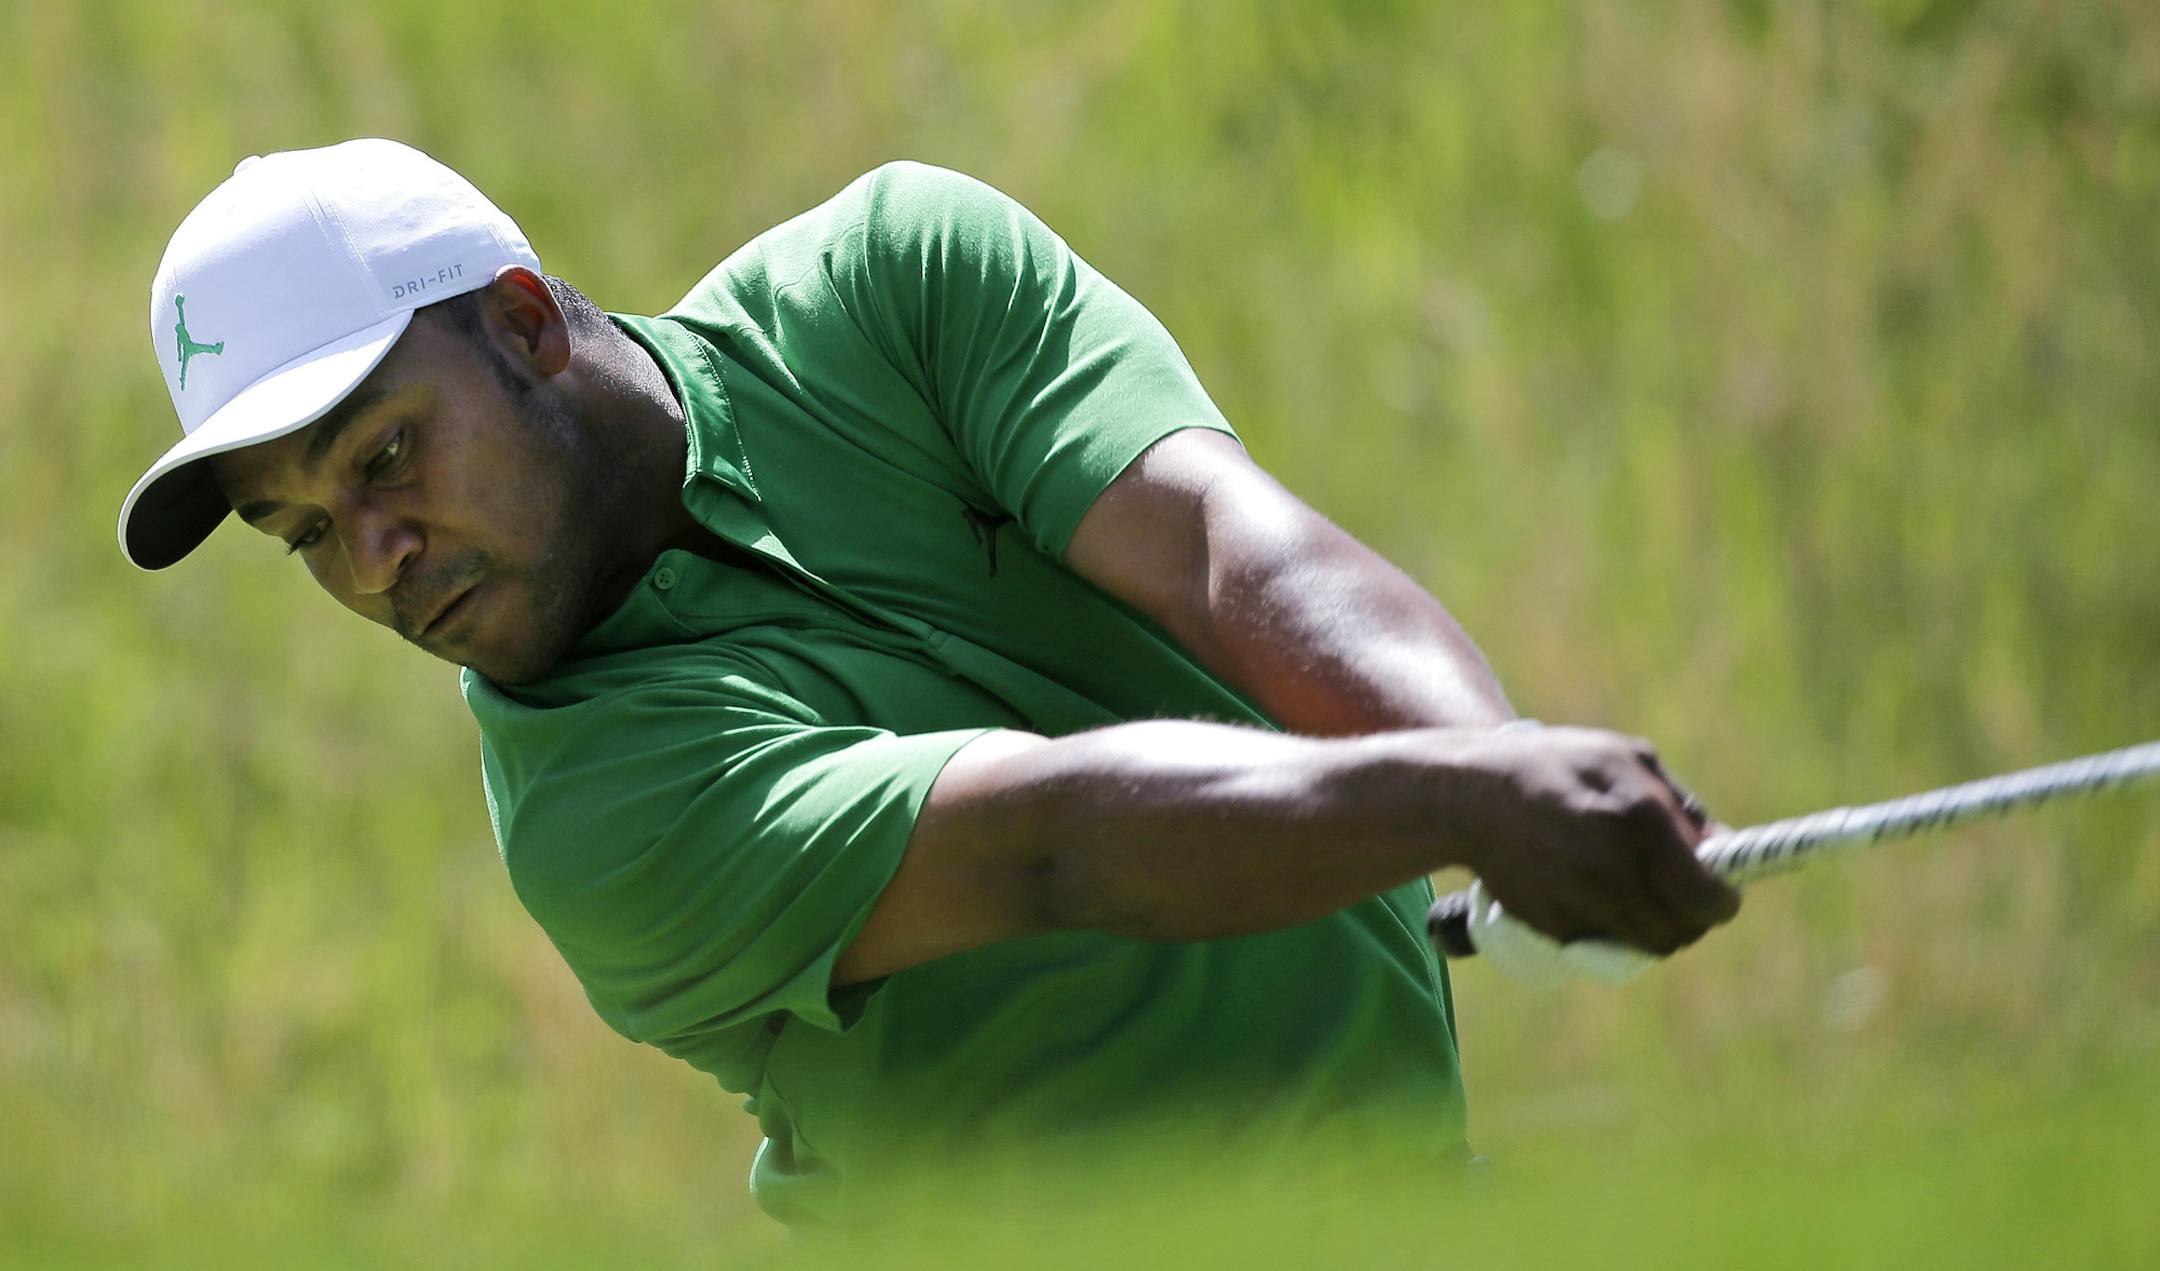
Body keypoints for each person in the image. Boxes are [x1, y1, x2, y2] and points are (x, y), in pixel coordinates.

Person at [119, 138, 1739, 1228]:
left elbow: (1233, 559)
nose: (375, 561)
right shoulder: (590, 814)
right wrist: (1465, 805)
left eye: (386, 455)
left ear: (529, 325)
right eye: (304, 532)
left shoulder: (891, 286)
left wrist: (1513, 773)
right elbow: (1052, 843)